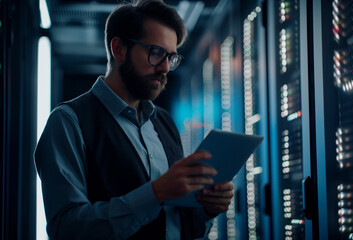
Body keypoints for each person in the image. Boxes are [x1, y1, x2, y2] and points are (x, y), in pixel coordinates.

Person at [34, 0, 234, 239]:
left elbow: (176, 224)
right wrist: (156, 193)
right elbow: (66, 229)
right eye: (156, 53)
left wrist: (206, 210)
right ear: (119, 49)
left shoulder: (164, 122)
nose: (165, 68)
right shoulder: (68, 122)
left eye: (170, 57)